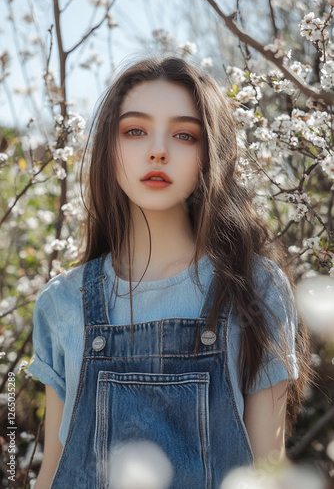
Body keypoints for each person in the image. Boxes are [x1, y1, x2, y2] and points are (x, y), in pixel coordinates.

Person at [29, 56, 310, 489]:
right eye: (135, 131)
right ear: (109, 147)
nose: (158, 150)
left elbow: (266, 472)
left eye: (184, 135)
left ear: (209, 152)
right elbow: (52, 472)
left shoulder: (255, 288)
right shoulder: (61, 303)